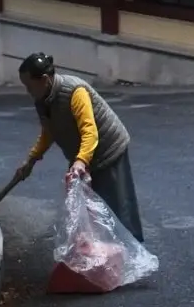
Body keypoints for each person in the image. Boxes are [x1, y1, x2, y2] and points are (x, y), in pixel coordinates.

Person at [13, 52, 144, 242]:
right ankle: (102, 252)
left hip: (108, 149)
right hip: (83, 155)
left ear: (44, 79)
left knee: (117, 206)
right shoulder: (42, 101)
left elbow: (89, 131)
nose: (28, 91)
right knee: (91, 211)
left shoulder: (75, 91)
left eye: (29, 86)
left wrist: (81, 161)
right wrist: (31, 160)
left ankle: (132, 250)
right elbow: (48, 132)